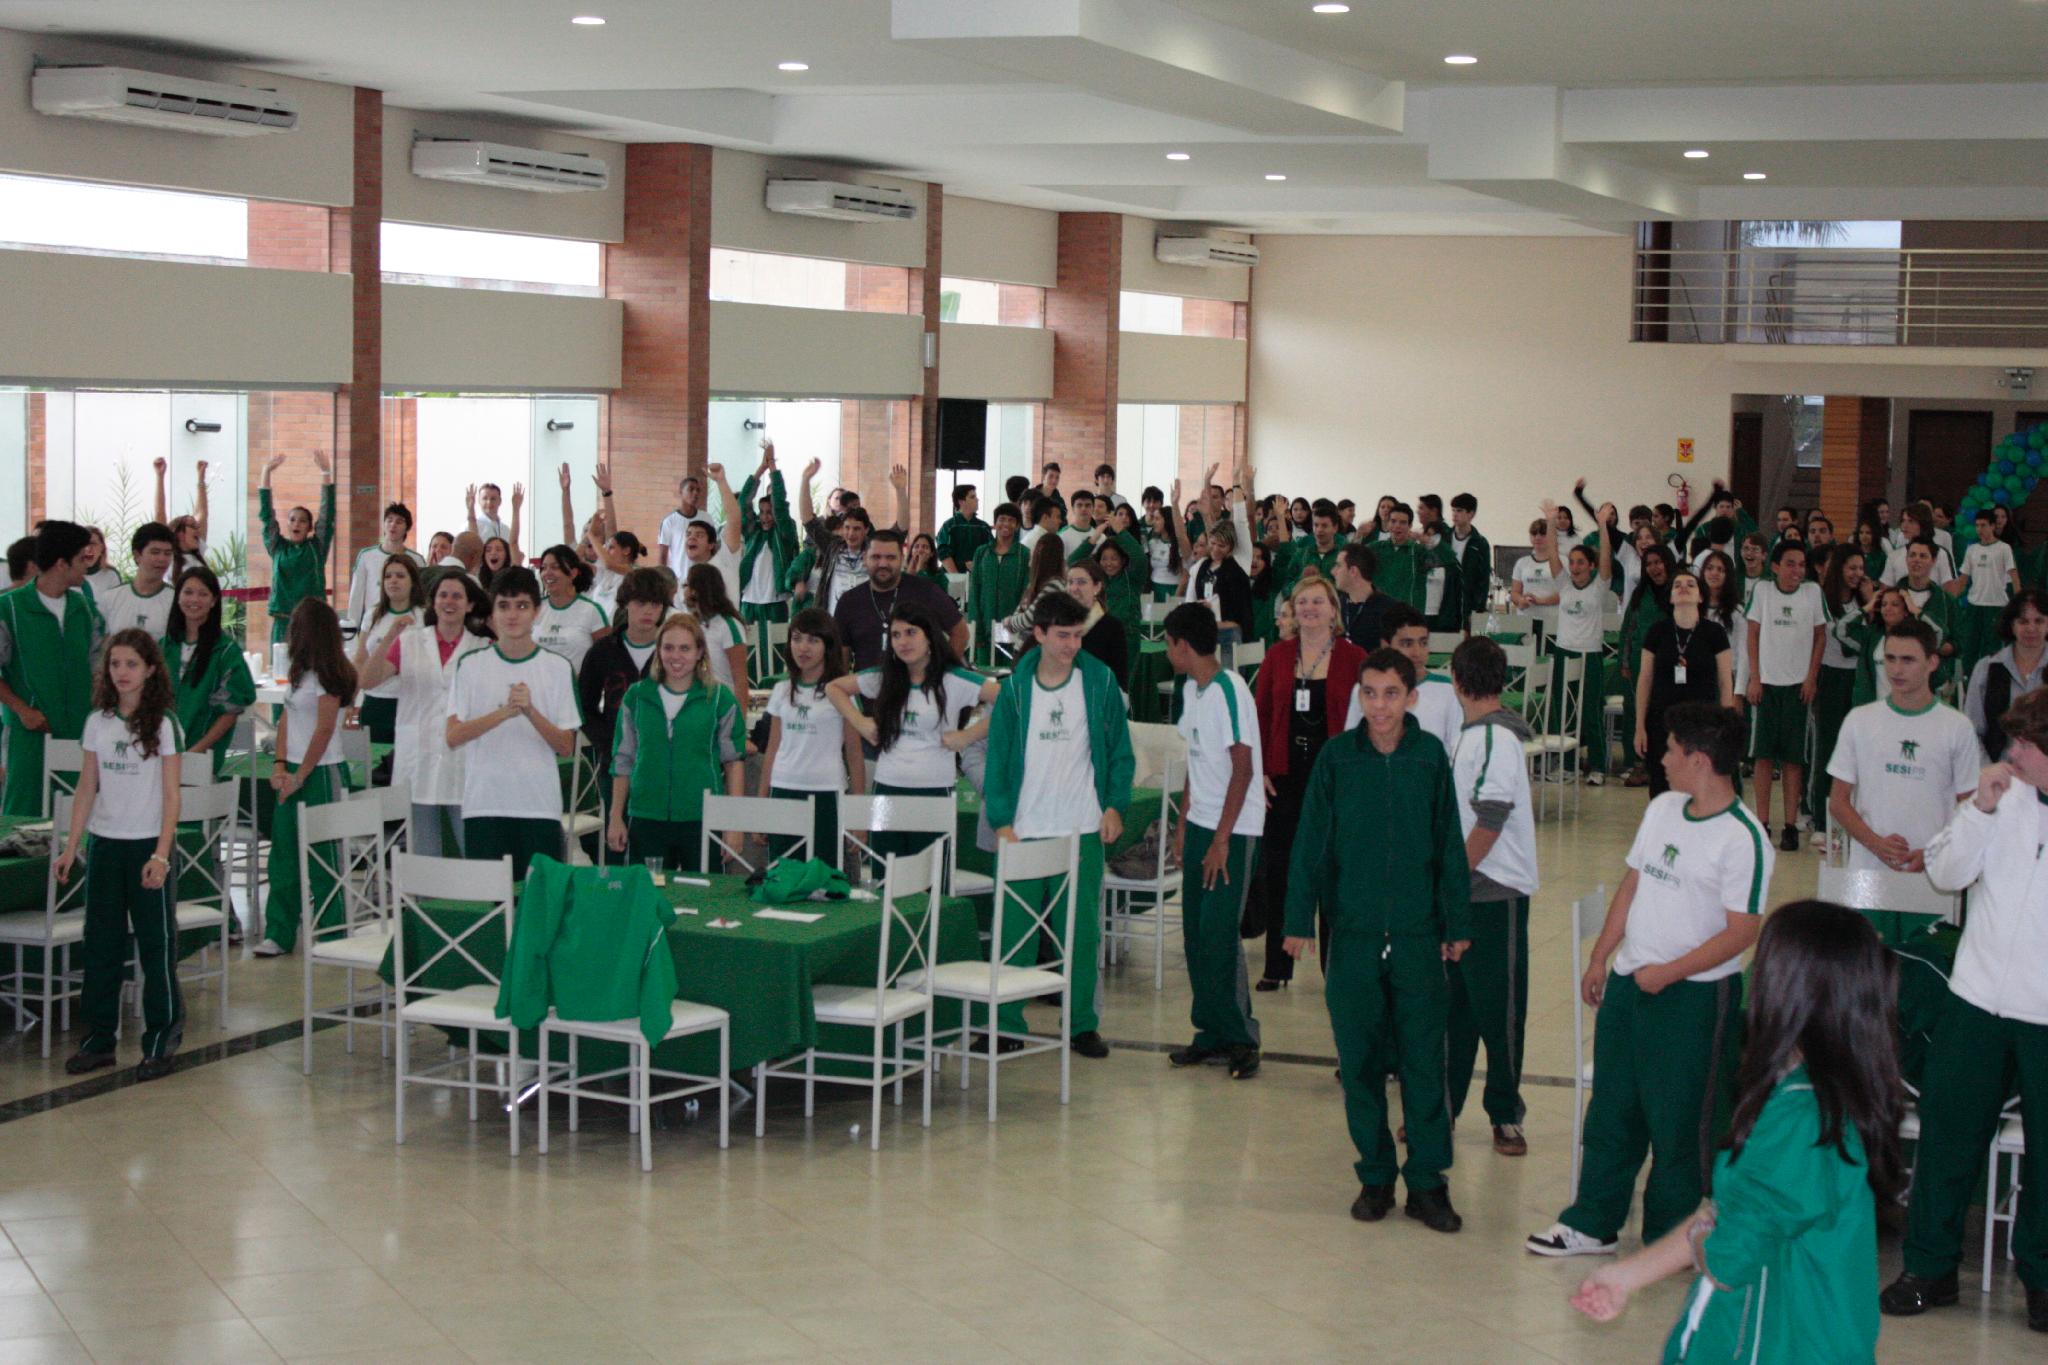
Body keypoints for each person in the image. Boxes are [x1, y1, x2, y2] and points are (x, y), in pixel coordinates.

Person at [1571, 900, 1904, 1362]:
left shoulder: (1803, 1120)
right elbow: (1731, 1213)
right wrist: (1626, 1277)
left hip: (1781, 1345)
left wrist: (1701, 1236)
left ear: (1789, 991)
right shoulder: (1816, 1096)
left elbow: (1730, 1252)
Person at [1527, 703, 1771, 1259]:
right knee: (1613, 1110)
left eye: (1671, 750)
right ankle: (1592, 1222)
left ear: (1700, 760)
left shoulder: (1744, 839)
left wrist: (1670, 973)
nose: (1661, 759)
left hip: (1695, 998)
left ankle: (1670, 1239)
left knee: (1679, 1123)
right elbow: (1633, 883)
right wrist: (1601, 957)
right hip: (1630, 985)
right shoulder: (1663, 808)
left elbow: (1742, 931)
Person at [1283, 648, 1470, 1233]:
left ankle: (1428, 1184)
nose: (1380, 706)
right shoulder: (1338, 759)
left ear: (1411, 697)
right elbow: (1310, 842)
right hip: (1353, 934)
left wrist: (1456, 923)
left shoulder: (1429, 756)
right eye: (1370, 693)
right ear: (1358, 696)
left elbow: (1449, 844)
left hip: (1418, 935)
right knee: (1359, 1062)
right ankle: (1375, 1176)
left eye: (1391, 693)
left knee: (1423, 1062)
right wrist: (1296, 920)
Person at [1881, 689, 2048, 1334]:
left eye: (2025, 744)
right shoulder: (1999, 798)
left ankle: (2042, 1280)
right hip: (1976, 999)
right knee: (1948, 1135)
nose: (2012, 753)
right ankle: (1929, 1269)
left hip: (2044, 1013)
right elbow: (1945, 872)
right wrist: (1979, 809)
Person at [983, 590, 1134, 1061]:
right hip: (1024, 829)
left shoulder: (1100, 681)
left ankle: (1082, 1024)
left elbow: (1120, 752)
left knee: (1081, 933)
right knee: (1015, 935)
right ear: (1040, 634)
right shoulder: (1014, 689)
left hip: (1081, 827)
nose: (1072, 645)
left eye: (1077, 636)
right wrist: (1001, 821)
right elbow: (997, 760)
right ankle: (1007, 1023)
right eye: (1063, 636)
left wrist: (1115, 806)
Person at [54, 629, 184, 1079]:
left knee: (156, 945)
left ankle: (161, 1041)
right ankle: (99, 1039)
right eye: (114, 664)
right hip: (106, 844)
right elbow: (87, 786)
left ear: (150, 670)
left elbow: (172, 795)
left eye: (131, 664)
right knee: (101, 944)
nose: (122, 673)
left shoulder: (164, 724)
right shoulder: (98, 722)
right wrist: (72, 844)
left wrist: (162, 855)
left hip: (148, 845)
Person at [1825, 617, 1980, 942]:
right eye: (1890, 659)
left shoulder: (1957, 726)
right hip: (1867, 873)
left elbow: (1969, 808)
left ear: (1932, 662)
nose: (1896, 669)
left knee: (1924, 965)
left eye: (1908, 660)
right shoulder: (1859, 720)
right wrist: (1876, 843)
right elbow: (1838, 802)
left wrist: (1932, 853)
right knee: (1866, 963)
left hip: (1932, 877)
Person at [1443, 637, 1539, 1156]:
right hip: (1467, 890)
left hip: (1494, 892)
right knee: (1455, 1009)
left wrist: (1452, 881)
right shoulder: (1472, 736)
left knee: (1499, 1011)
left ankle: (1505, 1113)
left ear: (1457, 682)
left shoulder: (1495, 739)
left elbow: (1491, 819)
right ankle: (1443, 1109)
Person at [1163, 602, 1264, 1080]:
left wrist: (1222, 839)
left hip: (1234, 828)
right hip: (1202, 821)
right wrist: (1184, 823)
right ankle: (1210, 1033)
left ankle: (1241, 1038)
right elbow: (1196, 761)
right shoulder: (1191, 689)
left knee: (1221, 934)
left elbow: (1242, 768)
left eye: (1168, 644)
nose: (1168, 652)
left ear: (1183, 645)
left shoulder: (1231, 690)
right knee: (1196, 934)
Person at [1250, 579, 1364, 990]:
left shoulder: (1355, 657)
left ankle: (1336, 966)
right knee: (1280, 870)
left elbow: (1367, 721)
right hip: (1285, 776)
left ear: (1334, 610)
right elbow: (1261, 714)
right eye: (1302, 602)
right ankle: (1277, 965)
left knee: (1334, 872)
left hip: (1335, 779)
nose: (1310, 608)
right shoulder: (1278, 656)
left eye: (1318, 601)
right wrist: (1261, 769)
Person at [447, 567, 581, 881]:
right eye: (504, 606)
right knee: (490, 904)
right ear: (492, 614)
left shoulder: (558, 667)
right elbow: (453, 735)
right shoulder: (471, 665)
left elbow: (566, 746)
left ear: (537, 611)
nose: (512, 615)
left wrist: (530, 711)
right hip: (484, 806)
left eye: (521, 605)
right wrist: (504, 713)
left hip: (539, 807)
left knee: (539, 903)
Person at [828, 607, 996, 857]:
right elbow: (834, 688)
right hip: (887, 788)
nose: (903, 642)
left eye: (911, 632)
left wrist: (968, 736)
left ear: (929, 636)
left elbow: (1009, 699)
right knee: (885, 872)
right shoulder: (884, 677)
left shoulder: (953, 679)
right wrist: (860, 722)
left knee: (930, 875)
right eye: (896, 635)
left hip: (934, 789)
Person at [359, 570, 491, 857]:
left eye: (457, 596)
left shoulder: (482, 648)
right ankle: (423, 887)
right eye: (443, 595)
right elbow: (367, 681)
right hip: (417, 756)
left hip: (463, 759)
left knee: (472, 847)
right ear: (433, 602)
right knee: (422, 849)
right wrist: (390, 636)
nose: (449, 602)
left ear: (470, 605)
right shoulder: (409, 642)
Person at [605, 612, 745, 874]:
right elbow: (622, 760)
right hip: (646, 814)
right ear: (658, 650)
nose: (676, 656)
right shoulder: (637, 696)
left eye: (685, 648)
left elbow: (733, 762)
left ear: (699, 652)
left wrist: (733, 822)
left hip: (702, 816)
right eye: (668, 648)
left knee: (706, 893)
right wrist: (615, 817)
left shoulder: (719, 698)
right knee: (650, 893)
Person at [254, 600, 356, 957]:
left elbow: (324, 729)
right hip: (293, 771)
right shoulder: (299, 673)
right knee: (283, 854)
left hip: (322, 772)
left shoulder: (330, 676)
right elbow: (286, 720)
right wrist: (280, 765)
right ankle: (279, 932)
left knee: (324, 856)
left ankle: (332, 934)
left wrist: (301, 775)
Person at [0, 521, 105, 817]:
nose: (88, 566)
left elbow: (99, 668)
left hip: (81, 732)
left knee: (80, 816)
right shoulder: (9, 609)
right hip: (30, 734)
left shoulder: (85, 609)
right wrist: (23, 710)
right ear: (61, 563)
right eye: (82, 558)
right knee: (23, 816)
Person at [759, 608, 864, 869]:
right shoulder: (781, 690)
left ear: (828, 646)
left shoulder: (842, 692)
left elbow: (854, 754)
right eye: (797, 639)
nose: (803, 648)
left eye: (813, 640)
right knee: (783, 876)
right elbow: (772, 750)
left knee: (824, 876)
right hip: (783, 789)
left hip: (826, 792)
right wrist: (761, 804)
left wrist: (859, 814)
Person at [1745, 541, 1826, 852]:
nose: (1797, 570)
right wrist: (1755, 677)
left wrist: (1811, 677)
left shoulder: (1812, 593)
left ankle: (1790, 825)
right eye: (1790, 563)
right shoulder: (1763, 591)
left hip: (1797, 687)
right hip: (1767, 685)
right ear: (1775, 566)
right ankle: (1762, 822)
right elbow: (1752, 634)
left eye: (1801, 564)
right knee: (1763, 757)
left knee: (1794, 759)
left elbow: (1820, 636)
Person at [1636, 570, 1734, 797]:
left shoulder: (1715, 633)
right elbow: (1645, 679)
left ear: (1701, 597)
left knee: (1700, 789)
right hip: (1662, 723)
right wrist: (1639, 726)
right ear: (1670, 597)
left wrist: (1726, 725)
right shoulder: (1657, 632)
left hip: (1703, 724)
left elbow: (1725, 681)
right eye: (1677, 585)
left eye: (1691, 584)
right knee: (1661, 788)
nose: (1683, 588)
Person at [1538, 499, 1616, 785]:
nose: (1574, 567)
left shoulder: (1599, 586)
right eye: (1571, 562)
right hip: (1564, 653)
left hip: (1590, 655)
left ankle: (1597, 767)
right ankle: (1568, 766)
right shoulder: (1563, 584)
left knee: (1591, 713)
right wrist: (1550, 522)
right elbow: (1551, 553)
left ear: (1592, 566)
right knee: (1565, 712)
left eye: (1581, 562)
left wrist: (1602, 525)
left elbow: (1606, 554)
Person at [161, 565, 256, 781]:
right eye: (188, 592)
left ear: (214, 601)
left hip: (201, 757)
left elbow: (229, 712)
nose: (194, 599)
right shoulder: (163, 647)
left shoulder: (226, 652)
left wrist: (195, 752)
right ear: (178, 597)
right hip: (160, 754)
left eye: (203, 594)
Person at [834, 528, 967, 669]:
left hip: (918, 682)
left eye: (890, 557)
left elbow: (961, 633)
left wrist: (941, 672)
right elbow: (841, 655)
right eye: (876, 557)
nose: (883, 564)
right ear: (865, 559)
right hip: (866, 681)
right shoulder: (849, 601)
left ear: (902, 559)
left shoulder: (927, 592)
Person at [1808, 546, 1873, 834]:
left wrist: (1869, 601)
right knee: (1827, 747)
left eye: (1861, 568)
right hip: (1830, 677)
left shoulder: (1867, 600)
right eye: (1851, 568)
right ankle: (1820, 817)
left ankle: (1854, 816)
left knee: (1858, 749)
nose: (1857, 574)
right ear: (1838, 569)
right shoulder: (1821, 598)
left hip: (1860, 679)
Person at [346, 553, 424, 751]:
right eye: (388, 576)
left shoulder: (423, 617)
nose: (393, 581)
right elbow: (360, 658)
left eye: (400, 575)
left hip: (409, 703)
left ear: (413, 582)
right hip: (374, 702)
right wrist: (350, 701)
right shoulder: (373, 614)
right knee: (373, 764)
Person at [259, 450, 336, 644]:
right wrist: (266, 472)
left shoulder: (316, 548)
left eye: (302, 521)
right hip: (283, 622)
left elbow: (327, 514)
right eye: (292, 519)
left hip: (312, 623)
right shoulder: (277, 547)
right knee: (281, 663)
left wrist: (326, 472)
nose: (297, 524)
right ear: (287, 524)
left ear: (309, 527)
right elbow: (267, 515)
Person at [1964, 587, 2048, 760]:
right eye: (2023, 621)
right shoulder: (1986, 668)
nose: (2031, 628)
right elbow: (1971, 731)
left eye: (2039, 621)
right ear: (2012, 625)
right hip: (1998, 770)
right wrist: (1989, 769)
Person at [1373, 602, 1459, 754]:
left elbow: (1457, 748)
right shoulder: (1368, 690)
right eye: (1407, 644)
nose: (1417, 652)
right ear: (1386, 646)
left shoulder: (1447, 690)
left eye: (1423, 643)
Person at [736, 443, 799, 650]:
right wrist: (760, 469)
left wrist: (773, 468)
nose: (765, 516)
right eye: (762, 512)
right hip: (749, 601)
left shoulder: (784, 531)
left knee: (777, 651)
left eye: (769, 512)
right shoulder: (752, 531)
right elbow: (743, 502)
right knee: (749, 651)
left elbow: (780, 504)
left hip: (775, 601)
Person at [1954, 505, 2020, 685]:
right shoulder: (1972, 550)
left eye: (1983, 525)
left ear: (1992, 526)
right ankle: (1968, 683)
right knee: (1970, 646)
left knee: (1992, 648)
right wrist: (1951, 599)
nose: (1979, 529)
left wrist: (2018, 604)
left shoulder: (2004, 548)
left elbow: (2014, 576)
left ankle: (1992, 683)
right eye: (1977, 525)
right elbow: (1963, 579)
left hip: (1996, 605)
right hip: (1974, 605)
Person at [91, 521, 178, 646]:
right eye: (155, 552)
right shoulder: (110, 598)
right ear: (137, 555)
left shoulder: (176, 601)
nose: (162, 559)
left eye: (168, 553)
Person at [532, 543, 610, 675]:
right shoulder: (535, 609)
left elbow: (605, 658)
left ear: (573, 573)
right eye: (544, 568)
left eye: (555, 567)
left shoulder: (591, 610)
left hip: (578, 686)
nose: (547, 573)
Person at [343, 502, 423, 630]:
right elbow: (356, 596)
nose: (393, 525)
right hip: (373, 625)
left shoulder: (417, 560)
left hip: (405, 625)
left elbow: (419, 596)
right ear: (384, 524)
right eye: (389, 520)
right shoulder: (366, 556)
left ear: (407, 528)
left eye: (399, 522)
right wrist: (352, 628)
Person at [967, 503, 1028, 667]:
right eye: (1002, 519)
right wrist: (977, 630)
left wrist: (1018, 626)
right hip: (984, 627)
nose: (1006, 524)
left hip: (1012, 629)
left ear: (1017, 525)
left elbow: (1026, 594)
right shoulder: (982, 552)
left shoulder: (1024, 554)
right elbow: (974, 592)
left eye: (1011, 520)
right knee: (984, 674)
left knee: (1009, 674)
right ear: (995, 523)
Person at [684, 562, 750, 706]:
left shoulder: (728, 626)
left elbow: (740, 679)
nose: (684, 591)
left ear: (696, 591)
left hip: (724, 704)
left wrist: (739, 717)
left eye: (686, 586)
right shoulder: (693, 624)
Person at [1058, 558, 1130, 689]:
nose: (1073, 588)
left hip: (1097, 695)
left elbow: (1119, 679)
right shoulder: (1056, 623)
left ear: (1097, 587)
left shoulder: (1112, 627)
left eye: (1081, 582)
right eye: (1070, 582)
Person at [1187, 521, 1254, 644]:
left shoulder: (1238, 567)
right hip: (1204, 630)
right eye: (1213, 543)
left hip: (1229, 632)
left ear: (1231, 547)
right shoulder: (1201, 566)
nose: (1216, 549)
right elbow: (1190, 600)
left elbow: (1240, 609)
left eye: (1222, 546)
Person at [151, 455, 211, 579]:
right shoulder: (168, 556)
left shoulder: (198, 552)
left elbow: (201, 513)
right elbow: (159, 513)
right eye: (192, 526)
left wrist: (201, 478)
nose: (198, 530)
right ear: (178, 533)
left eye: (196, 526)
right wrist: (160, 476)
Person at [1509, 514, 1561, 641]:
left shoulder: (1562, 561)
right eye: (1534, 534)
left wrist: (1541, 601)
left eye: (1542, 534)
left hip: (1553, 622)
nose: (1537, 537)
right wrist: (1520, 600)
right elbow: (1514, 592)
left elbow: (1567, 593)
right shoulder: (1522, 563)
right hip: (1526, 621)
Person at [1447, 493, 1491, 625]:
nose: (1454, 514)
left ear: (1471, 514)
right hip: (1445, 603)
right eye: (1453, 510)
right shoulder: (1444, 538)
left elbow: (1483, 580)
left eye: (1459, 511)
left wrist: (1478, 610)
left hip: (1467, 604)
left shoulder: (1480, 543)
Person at [938, 484, 994, 573]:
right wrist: (956, 576)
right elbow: (943, 552)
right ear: (961, 502)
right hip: (952, 577)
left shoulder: (983, 527)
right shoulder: (949, 526)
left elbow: (992, 552)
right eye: (972, 497)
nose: (977, 499)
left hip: (979, 577)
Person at [1144, 504, 1184, 602]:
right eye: (1153, 519)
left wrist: (1176, 597)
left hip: (1173, 589)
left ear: (1167, 521)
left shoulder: (1180, 544)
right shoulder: (1152, 542)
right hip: (1154, 588)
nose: (1154, 522)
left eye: (1157, 519)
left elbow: (1185, 575)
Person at [78, 527, 123, 604]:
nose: (88, 548)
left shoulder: (111, 575)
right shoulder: (67, 574)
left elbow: (117, 606)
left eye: (93, 544)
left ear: (102, 548)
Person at [467, 480, 517, 547]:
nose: (489, 502)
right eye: (485, 498)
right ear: (479, 501)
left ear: (500, 501)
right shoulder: (468, 527)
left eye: (493, 499)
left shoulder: (506, 529)